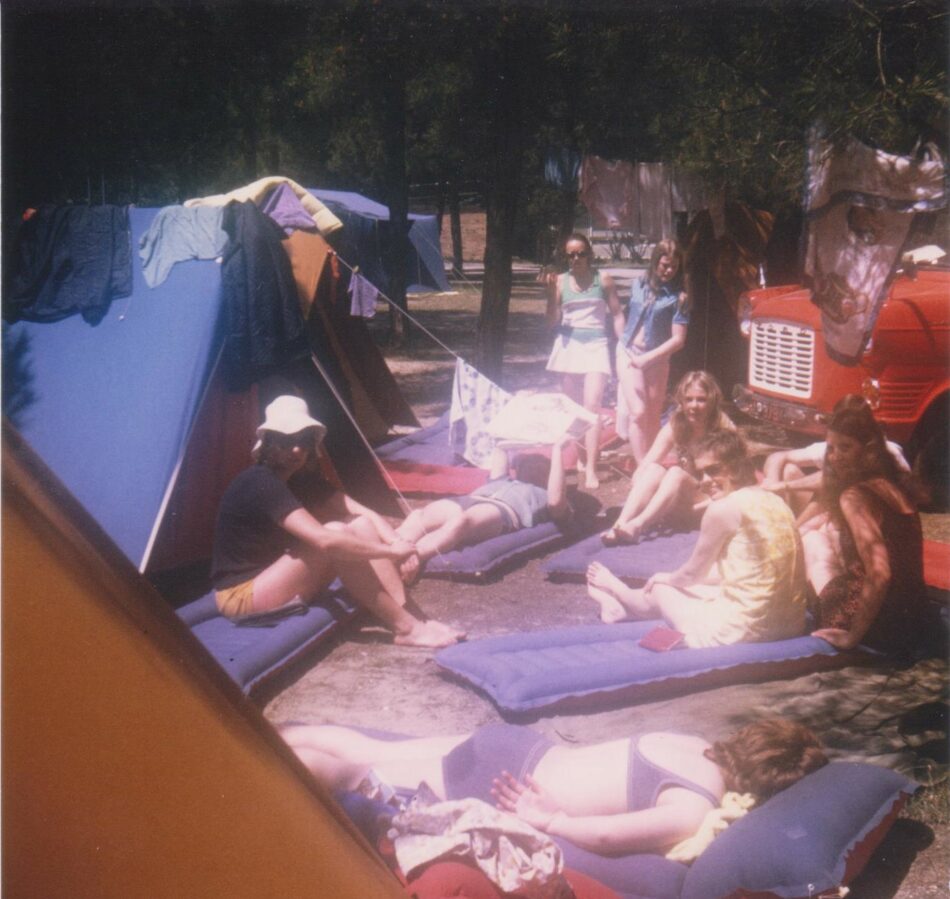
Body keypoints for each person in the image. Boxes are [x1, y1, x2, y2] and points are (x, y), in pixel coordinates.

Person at [279, 718, 827, 856]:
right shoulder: (694, 802)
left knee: (363, 750)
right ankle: (255, 773)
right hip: (504, 782)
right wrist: (553, 822)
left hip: (516, 746)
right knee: (352, 777)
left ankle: (249, 732)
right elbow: (612, 837)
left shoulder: (691, 741)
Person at [211, 395, 464, 648]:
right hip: (240, 597)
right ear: (268, 443)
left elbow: (366, 514)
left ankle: (412, 617)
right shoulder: (260, 482)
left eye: (303, 440)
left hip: (274, 578)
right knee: (334, 533)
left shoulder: (300, 479)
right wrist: (389, 551)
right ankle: (406, 629)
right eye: (286, 441)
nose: (297, 449)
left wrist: (400, 545)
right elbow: (326, 541)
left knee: (359, 526)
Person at [588, 430, 807, 647]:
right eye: (701, 473)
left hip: (743, 633)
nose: (705, 480)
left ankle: (619, 592)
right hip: (790, 626)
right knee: (706, 589)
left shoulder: (722, 509)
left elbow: (691, 574)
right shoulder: (774, 500)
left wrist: (664, 578)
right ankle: (620, 611)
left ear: (736, 466)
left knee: (660, 588)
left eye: (713, 471)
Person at [808, 401, 928, 655]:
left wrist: (851, 637)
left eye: (845, 448)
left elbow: (880, 572)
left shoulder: (854, 496)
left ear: (868, 450)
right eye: (830, 448)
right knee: (822, 545)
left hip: (880, 628)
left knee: (813, 547)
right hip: (915, 622)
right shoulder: (891, 486)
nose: (835, 457)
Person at [394, 438, 572, 578]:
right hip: (467, 499)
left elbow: (557, 501)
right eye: (528, 462)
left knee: (462, 521)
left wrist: (557, 450)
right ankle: (390, 551)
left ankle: (414, 556)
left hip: (500, 510)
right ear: (517, 469)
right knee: (420, 515)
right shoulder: (501, 479)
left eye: (541, 465)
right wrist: (529, 437)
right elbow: (500, 446)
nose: (533, 464)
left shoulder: (545, 495)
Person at [602, 370, 733, 546]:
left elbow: (734, 486)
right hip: (679, 500)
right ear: (682, 401)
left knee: (676, 473)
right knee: (654, 469)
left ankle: (638, 526)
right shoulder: (677, 425)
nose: (694, 406)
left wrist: (696, 509)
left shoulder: (724, 429)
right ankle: (619, 525)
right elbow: (645, 466)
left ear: (712, 401)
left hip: (707, 504)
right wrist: (644, 488)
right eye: (689, 399)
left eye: (701, 400)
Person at [545, 233, 624, 489]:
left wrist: (623, 344)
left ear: (589, 254)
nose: (576, 258)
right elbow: (551, 322)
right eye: (571, 255)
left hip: (596, 346)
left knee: (592, 406)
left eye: (581, 253)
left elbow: (617, 314)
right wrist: (549, 294)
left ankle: (591, 468)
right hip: (568, 347)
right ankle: (581, 457)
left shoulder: (604, 279)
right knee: (574, 408)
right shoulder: (559, 282)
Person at [761, 395, 910, 517]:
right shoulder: (835, 447)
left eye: (845, 447)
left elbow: (829, 484)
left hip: (874, 522)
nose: (836, 456)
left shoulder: (886, 456)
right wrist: (774, 498)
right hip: (843, 513)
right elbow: (777, 457)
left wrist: (783, 487)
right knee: (789, 470)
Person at [617, 239, 690, 464]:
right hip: (629, 353)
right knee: (638, 412)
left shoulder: (680, 298)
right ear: (655, 262)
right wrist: (622, 337)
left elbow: (678, 340)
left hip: (656, 360)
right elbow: (627, 314)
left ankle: (649, 462)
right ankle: (643, 470)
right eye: (664, 264)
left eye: (674, 267)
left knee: (652, 415)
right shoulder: (638, 284)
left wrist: (648, 358)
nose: (668, 270)